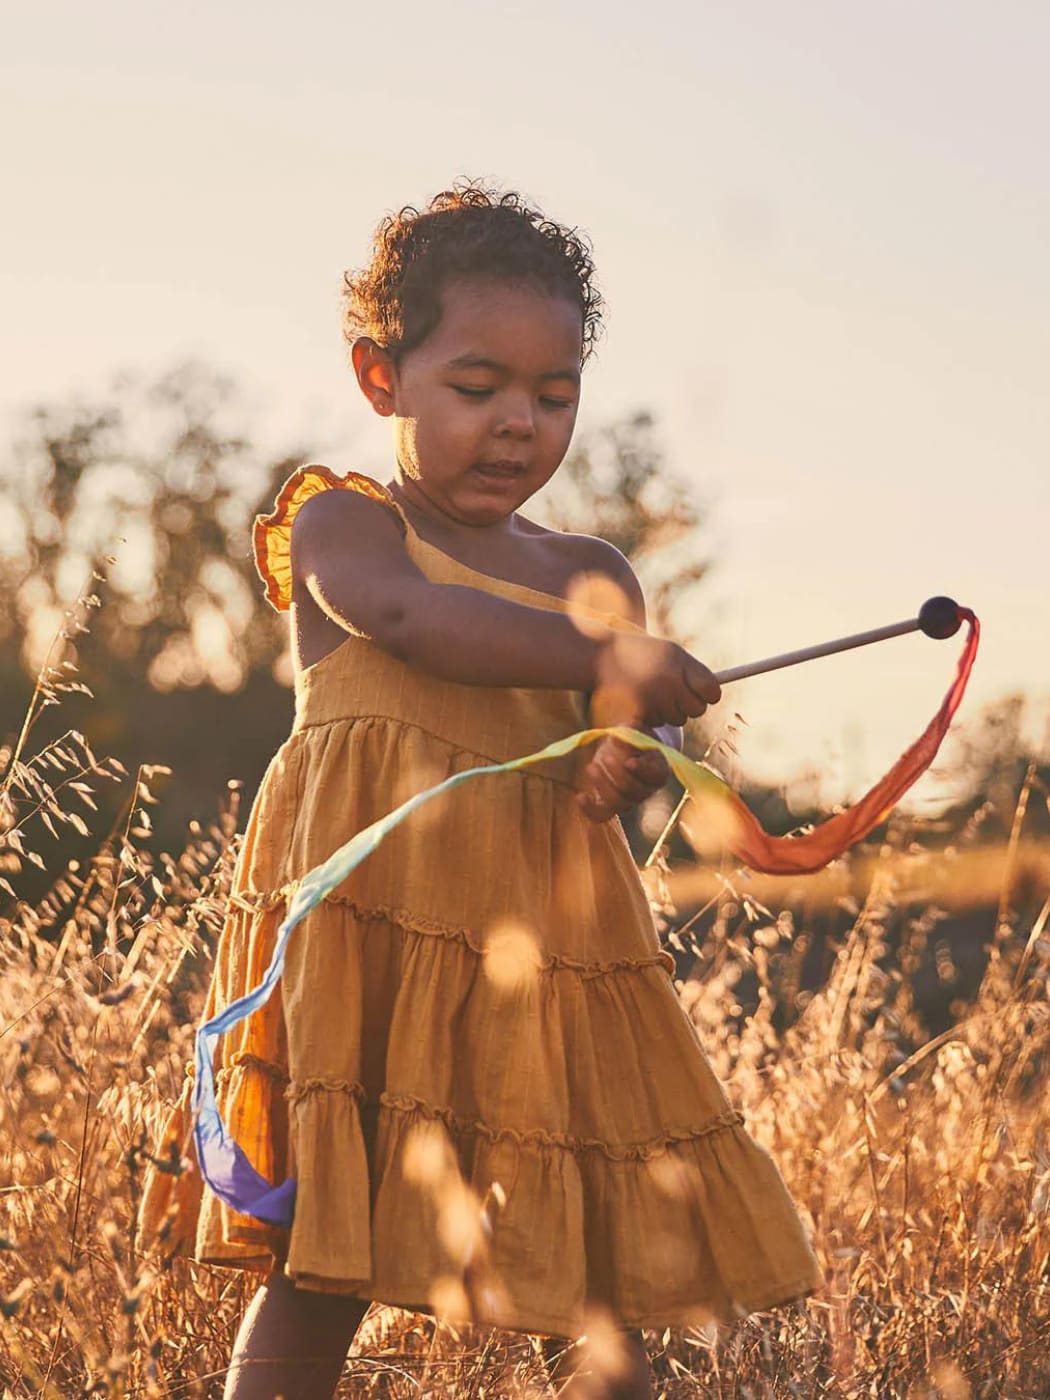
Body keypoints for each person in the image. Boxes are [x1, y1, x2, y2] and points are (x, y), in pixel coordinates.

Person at [140, 182, 822, 1399]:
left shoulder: (592, 571)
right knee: (317, 1266)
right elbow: (418, 622)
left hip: (544, 960)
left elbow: (614, 739)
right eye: (477, 387)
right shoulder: (348, 523)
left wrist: (624, 740)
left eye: (553, 396)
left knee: (597, 1257)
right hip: (371, 952)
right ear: (379, 375)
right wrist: (603, 658)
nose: (519, 423)